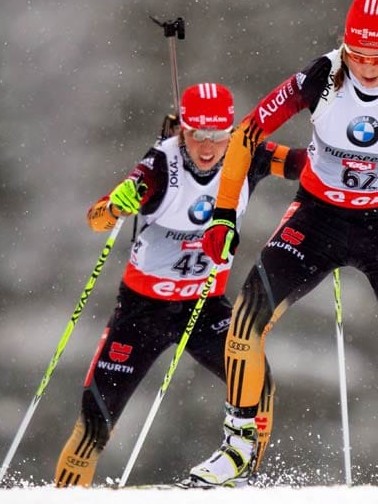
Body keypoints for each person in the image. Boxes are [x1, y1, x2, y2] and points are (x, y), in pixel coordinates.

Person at [182, 0, 378, 488]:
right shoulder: (319, 76)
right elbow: (246, 133)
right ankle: (237, 449)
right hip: (317, 218)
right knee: (244, 323)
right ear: (344, 47)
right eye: (359, 56)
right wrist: (224, 216)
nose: (369, 69)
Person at [54, 82, 307, 487]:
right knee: (94, 425)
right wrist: (115, 206)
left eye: (217, 136)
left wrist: (339, 159)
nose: (207, 148)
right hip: (142, 310)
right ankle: (66, 494)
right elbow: (97, 219)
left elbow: (300, 163)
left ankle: (246, 478)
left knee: (258, 382)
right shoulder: (159, 166)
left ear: (231, 131)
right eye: (196, 135)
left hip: (204, 305)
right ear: (182, 130)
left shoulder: (246, 151)